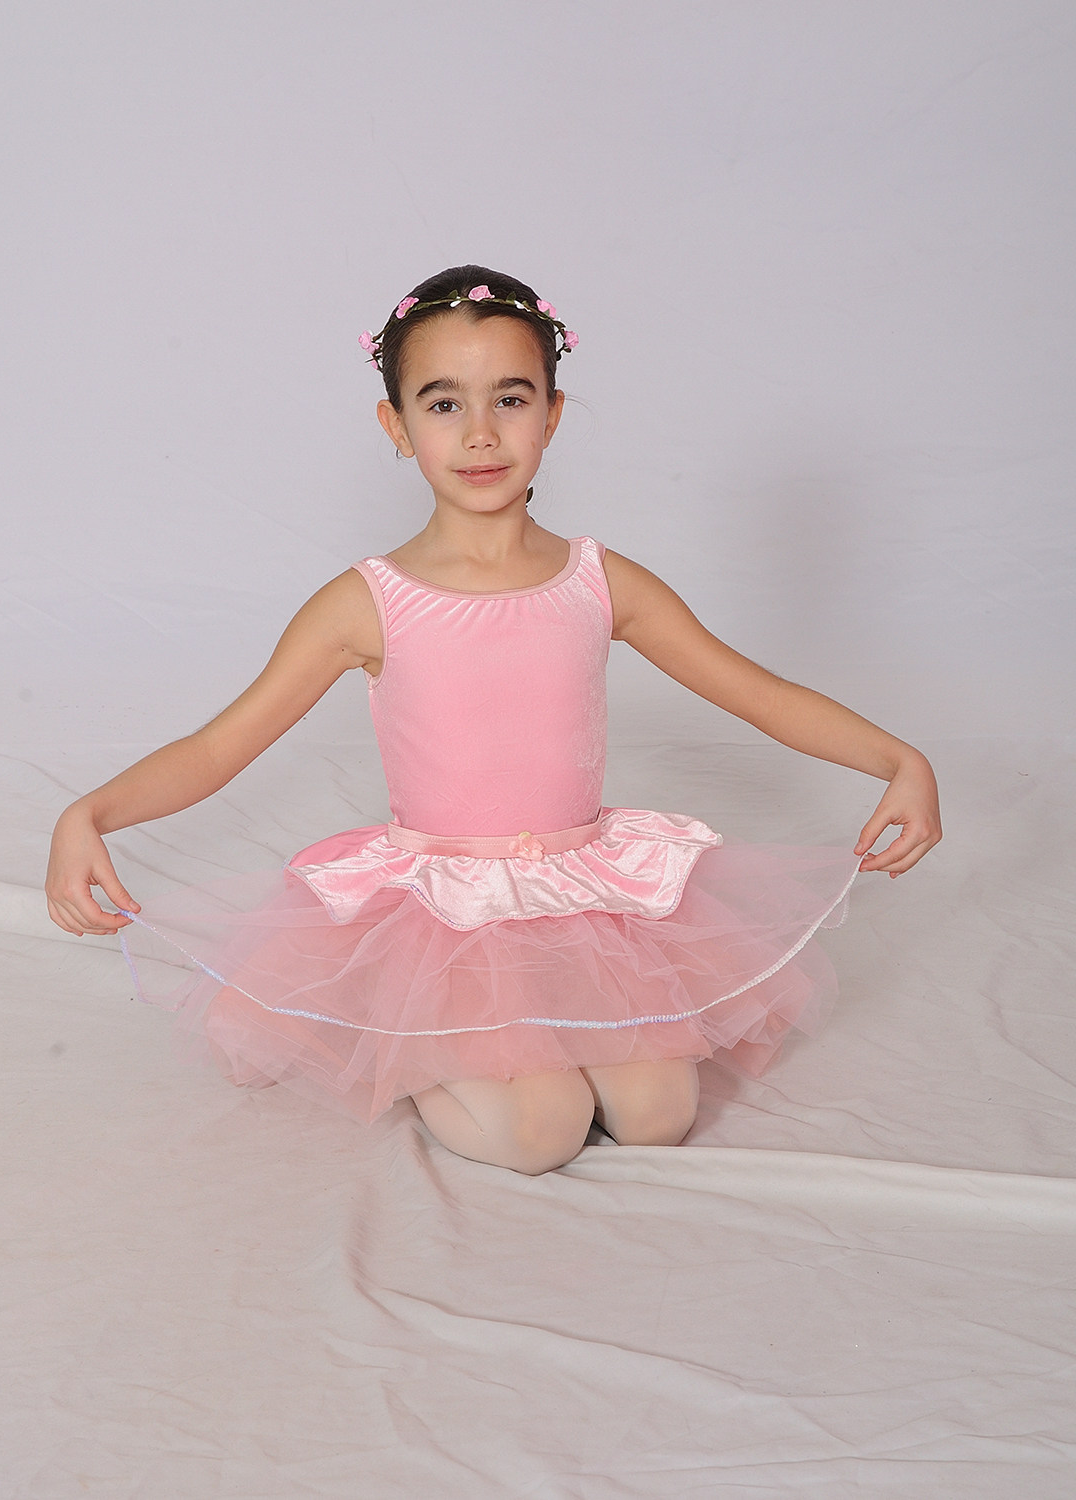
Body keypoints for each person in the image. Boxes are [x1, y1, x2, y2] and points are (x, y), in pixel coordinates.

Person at [46, 264, 941, 1175]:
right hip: (446, 915)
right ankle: (407, 1041)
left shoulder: (600, 582)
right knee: (539, 1133)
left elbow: (760, 693)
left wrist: (897, 760)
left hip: (585, 898)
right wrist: (90, 814)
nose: (480, 433)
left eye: (510, 399)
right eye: (443, 405)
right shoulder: (367, 604)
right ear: (397, 426)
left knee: (658, 1116)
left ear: (552, 414)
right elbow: (217, 745)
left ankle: (535, 1046)